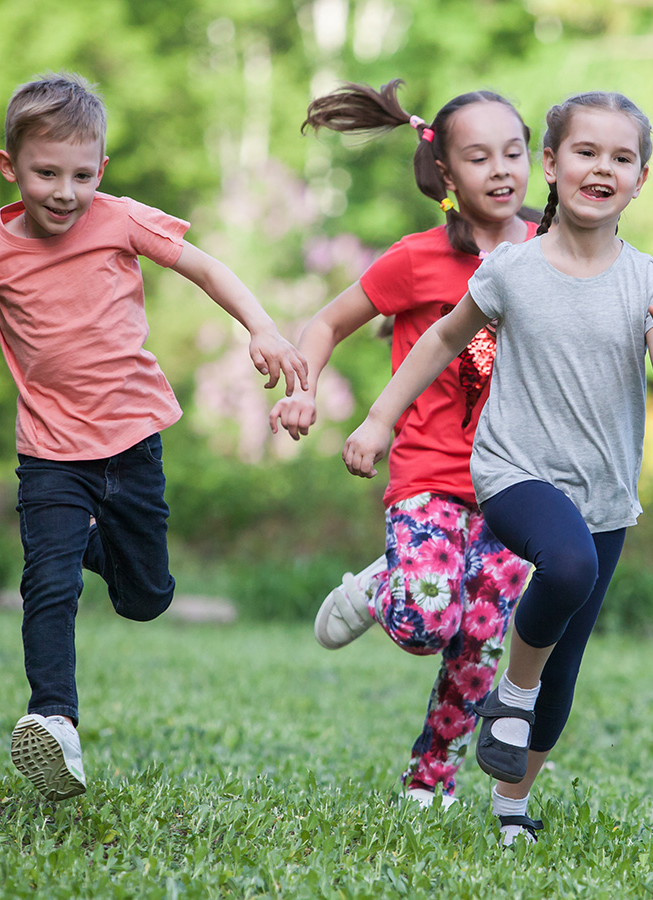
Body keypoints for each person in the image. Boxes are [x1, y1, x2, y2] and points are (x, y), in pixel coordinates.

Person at [0, 73, 307, 799]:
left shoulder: (119, 219)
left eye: (82, 175)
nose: (64, 191)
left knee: (146, 597)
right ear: (10, 167)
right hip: (50, 455)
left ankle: (88, 542)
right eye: (46, 173)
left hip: (132, 443)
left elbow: (205, 266)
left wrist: (263, 326)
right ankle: (54, 722)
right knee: (46, 586)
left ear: (102, 171)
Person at [343, 91, 653, 845]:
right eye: (585, 152)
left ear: (642, 178)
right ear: (552, 163)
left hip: (605, 495)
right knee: (563, 567)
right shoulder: (512, 268)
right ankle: (510, 691)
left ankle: (511, 806)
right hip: (513, 474)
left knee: (564, 669)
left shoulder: (650, 282)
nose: (602, 167)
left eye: (621, 157)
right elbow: (440, 342)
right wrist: (379, 419)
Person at [271, 80, 536, 808]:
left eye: (514, 152)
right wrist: (305, 391)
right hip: (428, 473)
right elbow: (325, 323)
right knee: (425, 619)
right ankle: (380, 586)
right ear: (448, 176)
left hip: (519, 486)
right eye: (480, 158)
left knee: (479, 645)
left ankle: (431, 781)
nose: (502, 170)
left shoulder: (553, 252)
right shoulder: (417, 259)